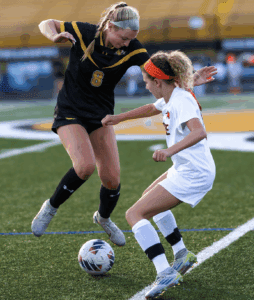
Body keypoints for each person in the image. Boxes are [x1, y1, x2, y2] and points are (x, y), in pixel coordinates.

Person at [31, 2, 217, 248]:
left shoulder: (133, 49)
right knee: (85, 166)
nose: (127, 43)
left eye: (131, 40)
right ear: (110, 27)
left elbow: (160, 76)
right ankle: (51, 208)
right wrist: (54, 35)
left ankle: (104, 218)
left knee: (112, 179)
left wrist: (190, 81)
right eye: (124, 37)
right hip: (70, 111)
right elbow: (47, 23)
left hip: (101, 115)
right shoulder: (85, 32)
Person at [101, 50, 216, 298]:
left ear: (158, 81)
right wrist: (118, 118)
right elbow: (151, 108)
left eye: (146, 82)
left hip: (194, 172)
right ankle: (182, 253)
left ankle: (164, 271)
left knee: (134, 213)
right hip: (187, 167)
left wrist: (169, 151)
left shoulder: (181, 99)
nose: (145, 86)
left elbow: (199, 132)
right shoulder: (172, 96)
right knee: (148, 199)